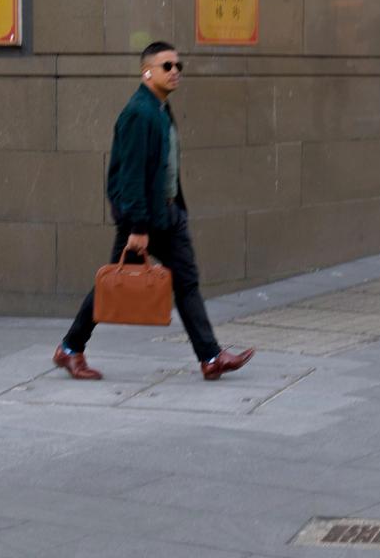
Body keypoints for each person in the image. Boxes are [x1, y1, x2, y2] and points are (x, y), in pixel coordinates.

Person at [53, 42, 254, 381]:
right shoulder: (138, 113)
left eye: (178, 66)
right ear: (147, 71)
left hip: (168, 215)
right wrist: (137, 226)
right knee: (110, 286)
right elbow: (130, 175)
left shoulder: (160, 108)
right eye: (167, 66)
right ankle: (70, 349)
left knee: (186, 283)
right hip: (144, 219)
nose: (175, 71)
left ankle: (211, 357)